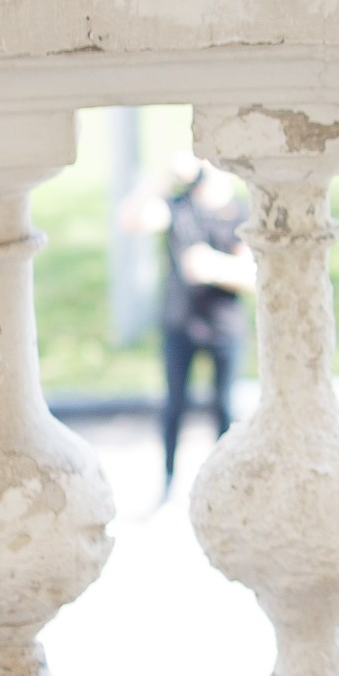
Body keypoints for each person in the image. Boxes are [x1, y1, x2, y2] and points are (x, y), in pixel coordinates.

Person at [132, 158, 256, 493]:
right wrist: (160, 177)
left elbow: (253, 276)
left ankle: (226, 481)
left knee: (224, 406)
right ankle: (168, 482)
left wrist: (214, 267)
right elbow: (132, 221)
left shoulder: (240, 213)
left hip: (224, 325)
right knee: (174, 405)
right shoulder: (179, 206)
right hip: (179, 323)